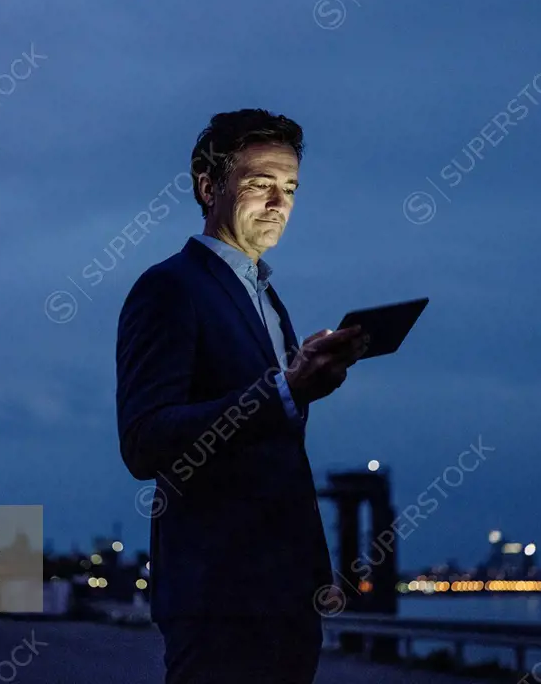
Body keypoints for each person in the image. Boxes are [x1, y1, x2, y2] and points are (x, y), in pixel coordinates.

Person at [116, 108, 369, 684]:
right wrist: (284, 388)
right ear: (209, 187)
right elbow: (143, 441)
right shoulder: (169, 289)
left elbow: (264, 437)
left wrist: (303, 379)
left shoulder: (270, 301)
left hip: (290, 596)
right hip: (218, 600)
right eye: (260, 184)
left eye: (290, 188)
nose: (279, 203)